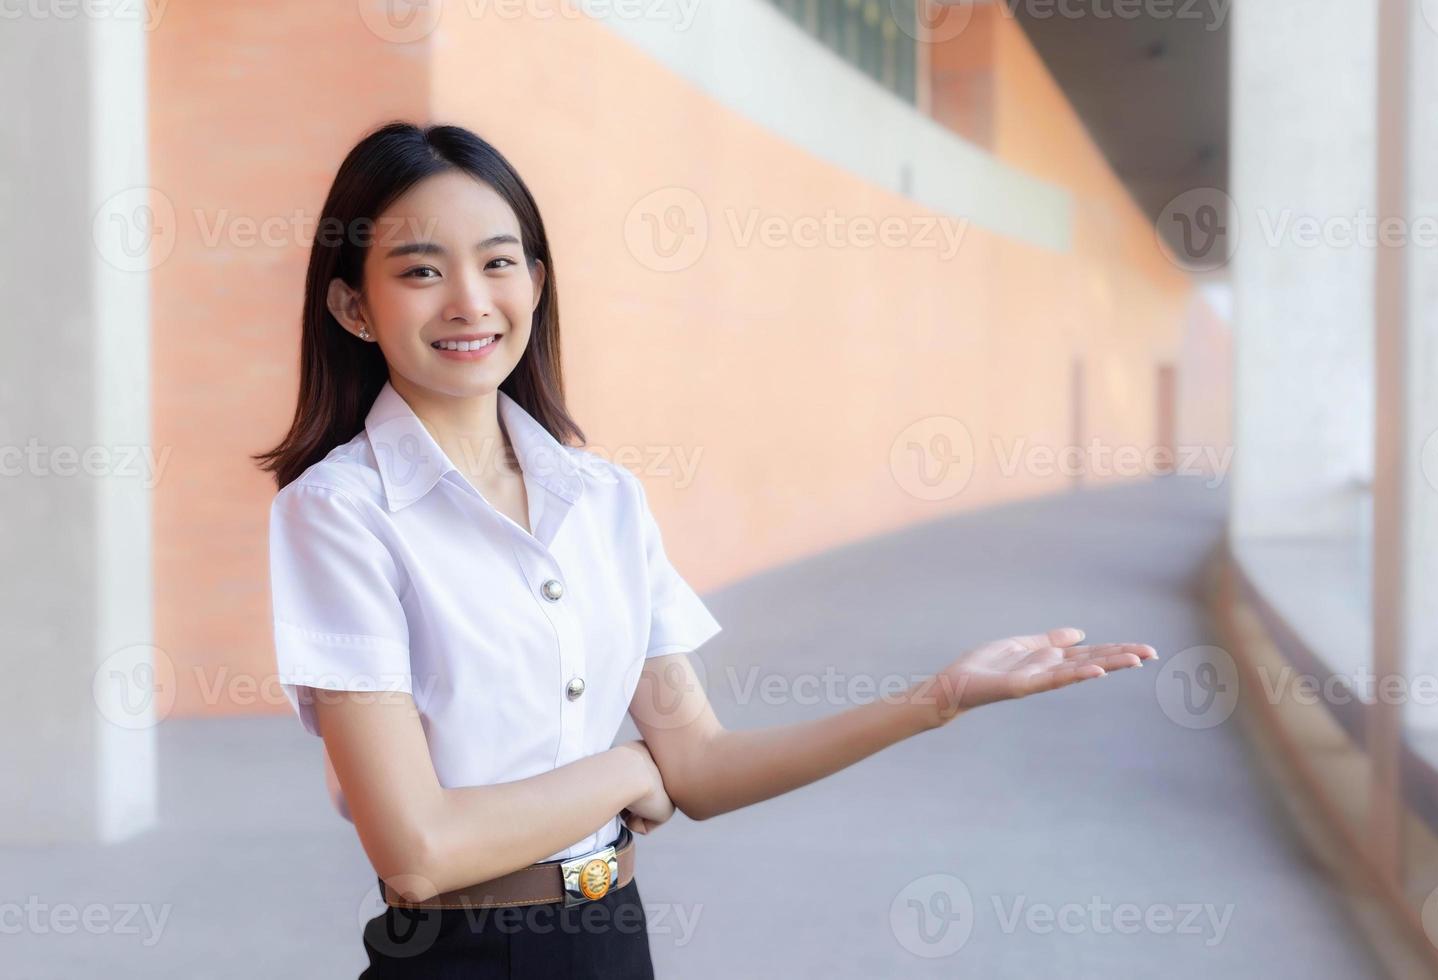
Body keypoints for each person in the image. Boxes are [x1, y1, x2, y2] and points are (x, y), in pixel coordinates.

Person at [253, 121, 1158, 979]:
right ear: (353, 305)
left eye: (499, 263)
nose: (471, 301)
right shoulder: (338, 514)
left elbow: (704, 765)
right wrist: (631, 770)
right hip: (457, 957)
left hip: (613, 936)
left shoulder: (601, 499)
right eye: (421, 271)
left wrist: (937, 700)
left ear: (534, 281)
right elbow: (417, 851)